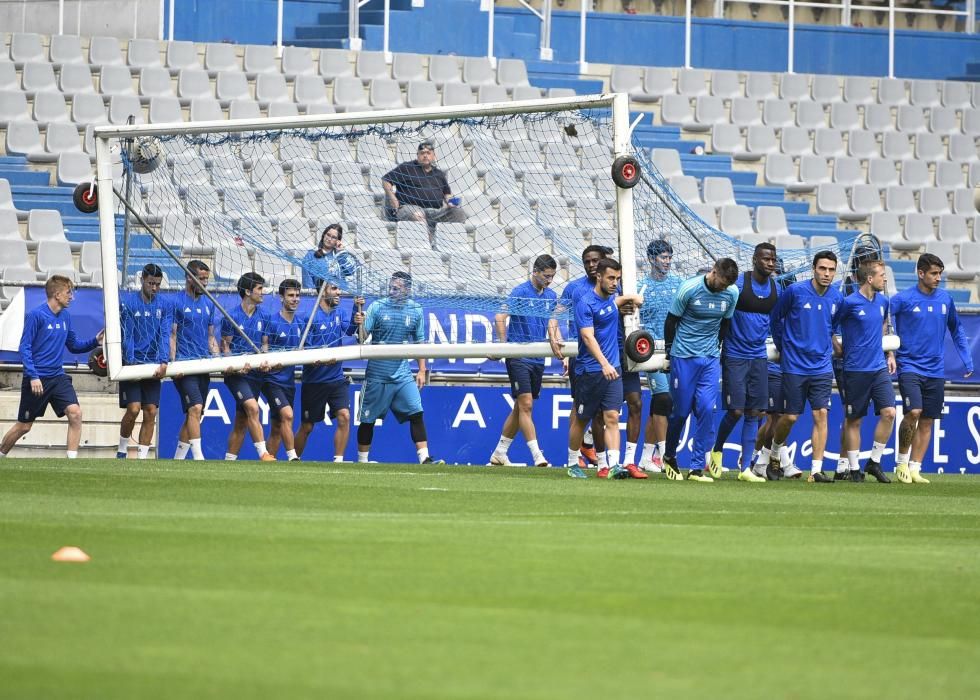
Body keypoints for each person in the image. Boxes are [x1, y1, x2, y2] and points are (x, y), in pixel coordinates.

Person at [890, 253, 973, 484]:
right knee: (913, 412)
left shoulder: (945, 299)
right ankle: (901, 463)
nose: (938, 278)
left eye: (940, 274)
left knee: (927, 419)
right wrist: (889, 350)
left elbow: (956, 330)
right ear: (920, 273)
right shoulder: (903, 299)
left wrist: (967, 360)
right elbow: (883, 317)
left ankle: (915, 468)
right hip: (909, 366)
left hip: (935, 369)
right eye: (934, 274)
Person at [0, 275, 103, 459]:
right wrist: (33, 376)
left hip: (58, 377)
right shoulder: (36, 316)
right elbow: (24, 348)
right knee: (24, 426)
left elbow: (73, 345)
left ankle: (71, 463)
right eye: (68, 292)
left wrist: (95, 341)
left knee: (75, 413)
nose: (71, 296)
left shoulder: (65, 316)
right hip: (37, 379)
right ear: (57, 294)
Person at [661, 258, 740, 482]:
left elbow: (725, 323)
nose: (724, 288)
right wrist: (669, 353)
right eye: (722, 283)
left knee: (706, 409)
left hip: (710, 359)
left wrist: (718, 346)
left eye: (728, 285)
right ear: (714, 272)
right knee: (681, 412)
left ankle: (696, 468)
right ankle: (669, 456)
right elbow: (671, 321)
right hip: (684, 357)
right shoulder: (689, 288)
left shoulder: (732, 293)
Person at [768, 251, 844, 483]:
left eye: (831, 270)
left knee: (821, 414)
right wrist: (783, 346)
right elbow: (775, 318)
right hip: (794, 366)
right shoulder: (795, 292)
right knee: (790, 417)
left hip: (821, 366)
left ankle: (816, 470)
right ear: (814, 269)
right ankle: (773, 454)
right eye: (822, 268)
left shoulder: (837, 298)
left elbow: (832, 326)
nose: (827, 274)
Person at [566, 258, 644, 479]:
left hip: (613, 371)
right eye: (611, 278)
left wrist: (634, 298)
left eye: (617, 279)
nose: (614, 283)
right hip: (590, 371)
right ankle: (572, 463)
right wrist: (604, 363)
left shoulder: (610, 300)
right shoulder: (585, 303)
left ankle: (613, 465)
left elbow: (615, 303)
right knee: (582, 419)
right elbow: (588, 338)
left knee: (611, 416)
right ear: (598, 277)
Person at [708, 244, 778, 483]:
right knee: (736, 410)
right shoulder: (739, 285)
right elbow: (719, 309)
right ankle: (717, 450)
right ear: (755, 260)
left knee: (755, 412)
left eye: (773, 259)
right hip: (735, 355)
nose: (770, 263)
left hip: (758, 356)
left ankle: (745, 468)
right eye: (765, 259)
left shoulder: (774, 288)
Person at [356, 272, 443, 464]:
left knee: (416, 412)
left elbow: (419, 342)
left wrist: (421, 370)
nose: (392, 290)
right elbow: (362, 338)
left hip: (402, 373)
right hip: (378, 374)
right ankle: (362, 461)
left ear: (407, 289)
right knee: (368, 420)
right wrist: (360, 324)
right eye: (391, 287)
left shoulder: (416, 310)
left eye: (397, 287)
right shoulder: (377, 307)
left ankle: (424, 458)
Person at [489, 254, 561, 467]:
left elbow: (552, 324)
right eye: (546, 276)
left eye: (552, 276)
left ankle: (499, 453)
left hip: (539, 359)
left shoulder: (551, 296)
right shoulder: (520, 292)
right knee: (526, 405)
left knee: (521, 408)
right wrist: (504, 346)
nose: (549, 280)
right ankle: (537, 455)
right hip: (519, 356)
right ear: (535, 272)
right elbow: (500, 316)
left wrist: (557, 343)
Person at [832, 259, 895, 483]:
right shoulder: (848, 303)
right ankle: (854, 468)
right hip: (854, 370)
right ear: (870, 278)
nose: (885, 279)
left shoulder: (883, 302)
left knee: (890, 413)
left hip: (878, 367)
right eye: (881, 275)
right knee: (854, 420)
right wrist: (837, 347)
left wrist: (889, 353)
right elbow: (830, 325)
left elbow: (883, 326)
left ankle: (874, 462)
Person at [555, 245, 609, 469]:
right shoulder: (574, 288)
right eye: (586, 261)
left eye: (594, 260)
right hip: (582, 358)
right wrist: (555, 337)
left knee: (605, 412)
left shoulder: (614, 286)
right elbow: (554, 315)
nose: (590, 265)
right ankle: (575, 456)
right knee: (580, 407)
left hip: (609, 356)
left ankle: (601, 457)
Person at [295, 281, 362, 461]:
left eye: (339, 288)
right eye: (334, 288)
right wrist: (321, 358)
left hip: (336, 378)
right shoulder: (308, 316)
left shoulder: (339, 312)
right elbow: (304, 350)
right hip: (314, 381)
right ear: (322, 292)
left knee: (344, 416)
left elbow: (349, 331)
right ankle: (293, 459)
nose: (338, 292)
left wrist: (357, 312)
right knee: (307, 426)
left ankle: (338, 461)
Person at [635, 239, 683, 473]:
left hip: (675, 348)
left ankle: (646, 456)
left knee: (663, 404)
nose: (667, 262)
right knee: (663, 399)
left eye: (669, 257)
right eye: (663, 257)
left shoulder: (679, 284)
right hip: (652, 350)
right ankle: (665, 455)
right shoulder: (640, 286)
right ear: (652, 259)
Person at [117, 264, 172, 459]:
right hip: (132, 364)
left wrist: (164, 360)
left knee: (150, 411)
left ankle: (142, 458)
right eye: (151, 283)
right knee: (133, 409)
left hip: (153, 365)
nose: (154, 288)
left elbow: (165, 334)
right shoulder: (129, 303)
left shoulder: (165, 305)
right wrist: (130, 362)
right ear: (142, 280)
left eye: (157, 284)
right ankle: (122, 450)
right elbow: (127, 335)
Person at [221, 272, 275, 462]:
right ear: (247, 291)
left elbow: (265, 344)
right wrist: (234, 366)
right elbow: (225, 346)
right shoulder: (232, 316)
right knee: (252, 408)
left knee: (241, 421)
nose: (263, 293)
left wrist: (265, 360)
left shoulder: (265, 316)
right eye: (260, 289)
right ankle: (263, 453)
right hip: (237, 376)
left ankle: (229, 460)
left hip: (256, 375)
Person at [172, 260, 219, 461]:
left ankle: (178, 458)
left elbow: (210, 337)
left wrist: (219, 359)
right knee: (195, 408)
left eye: (207, 279)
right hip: (184, 365)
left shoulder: (208, 303)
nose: (205, 283)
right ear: (189, 278)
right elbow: (172, 335)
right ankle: (199, 457)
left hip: (203, 365)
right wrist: (173, 364)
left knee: (195, 414)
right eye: (201, 278)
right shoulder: (176, 302)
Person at [262, 279, 306, 461]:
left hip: (288, 382)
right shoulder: (271, 321)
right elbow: (263, 348)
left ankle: (269, 463)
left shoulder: (301, 323)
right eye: (290, 295)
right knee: (287, 415)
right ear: (282, 297)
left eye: (297, 295)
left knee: (277, 426)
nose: (295, 299)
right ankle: (292, 456)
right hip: (271, 380)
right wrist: (269, 362)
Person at [382, 141, 466, 230]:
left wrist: (450, 202)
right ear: (417, 156)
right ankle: (429, 241)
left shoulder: (439, 174)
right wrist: (392, 196)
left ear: (434, 156)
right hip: (409, 208)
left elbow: (447, 193)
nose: (425, 156)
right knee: (418, 215)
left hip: (433, 212)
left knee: (458, 213)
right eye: (422, 153)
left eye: (428, 153)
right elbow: (386, 180)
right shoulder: (406, 167)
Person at [301, 223, 359, 290]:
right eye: (328, 235)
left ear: (338, 241)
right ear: (323, 235)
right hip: (321, 296)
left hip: (340, 294)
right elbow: (307, 283)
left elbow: (350, 272)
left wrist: (341, 254)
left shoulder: (340, 255)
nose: (329, 239)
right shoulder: (311, 255)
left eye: (333, 237)